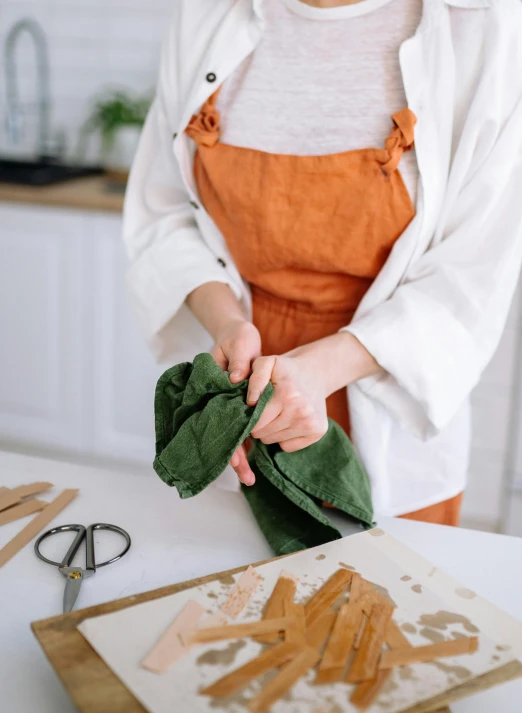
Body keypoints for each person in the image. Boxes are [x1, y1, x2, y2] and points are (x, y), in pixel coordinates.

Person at [123, 0, 522, 527]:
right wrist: (229, 324)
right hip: (247, 406)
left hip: (394, 414)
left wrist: (316, 373)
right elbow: (165, 210)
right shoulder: (206, 14)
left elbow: (471, 274)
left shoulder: (486, 25)